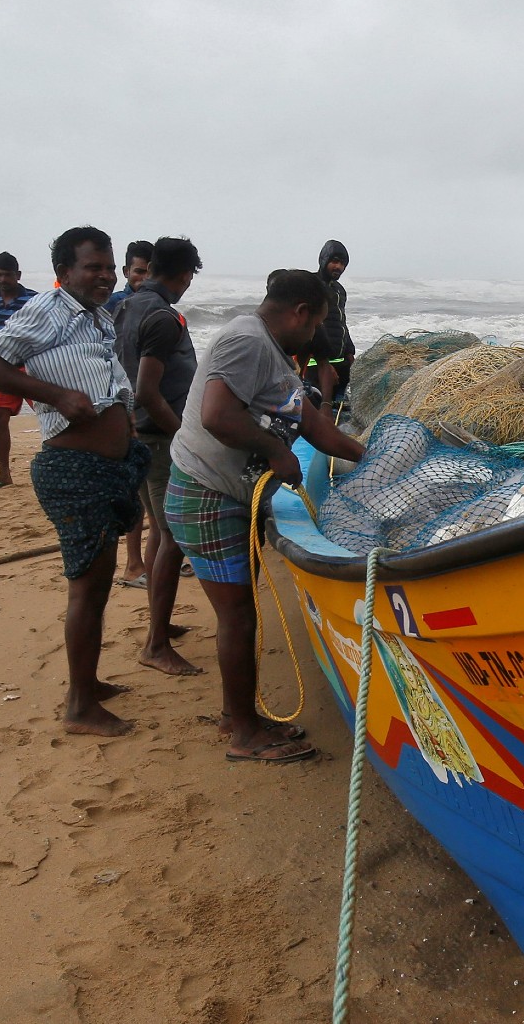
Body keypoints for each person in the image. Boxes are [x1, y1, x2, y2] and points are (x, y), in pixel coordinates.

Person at [167, 269, 366, 762]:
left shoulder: (274, 352)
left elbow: (315, 426)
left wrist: (371, 458)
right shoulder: (248, 340)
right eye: (315, 323)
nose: (314, 334)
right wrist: (276, 452)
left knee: (242, 611)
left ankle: (234, 715)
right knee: (237, 616)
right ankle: (244, 735)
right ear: (300, 312)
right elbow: (217, 415)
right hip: (207, 496)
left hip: (232, 497)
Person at [0, 227, 144, 737]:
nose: (105, 276)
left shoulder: (96, 315)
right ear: (64, 272)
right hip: (73, 470)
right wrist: (56, 395)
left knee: (99, 583)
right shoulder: (49, 308)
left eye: (108, 267)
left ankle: (88, 683)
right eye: (93, 267)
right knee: (87, 590)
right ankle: (80, 707)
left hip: (106, 469)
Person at [115, 237, 204, 678]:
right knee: (173, 538)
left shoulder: (128, 305)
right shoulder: (163, 318)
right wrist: (185, 435)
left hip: (141, 433)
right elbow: (148, 390)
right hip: (161, 439)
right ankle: (155, 645)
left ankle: (159, 622)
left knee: (158, 531)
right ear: (185, 275)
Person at [105, 239, 155, 581]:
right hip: (123, 406)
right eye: (139, 271)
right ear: (126, 271)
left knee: (153, 492)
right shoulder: (115, 305)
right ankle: (133, 564)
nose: (144, 277)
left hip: (146, 406)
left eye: (150, 271)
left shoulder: (153, 305)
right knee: (135, 490)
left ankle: (156, 557)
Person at [0, 252, 37, 491]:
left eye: (8, 275)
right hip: (3, 368)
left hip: (32, 366)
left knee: (50, 416)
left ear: (18, 275)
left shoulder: (33, 300)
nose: (3, 279)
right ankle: (4, 474)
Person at [301, 240, 354, 410]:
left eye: (343, 264)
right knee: (317, 409)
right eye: (335, 261)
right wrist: (324, 365)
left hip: (341, 362)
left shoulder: (340, 290)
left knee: (339, 412)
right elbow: (308, 324)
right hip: (316, 365)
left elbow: (340, 321)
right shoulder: (310, 284)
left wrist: (350, 350)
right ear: (324, 260)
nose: (338, 267)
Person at [104, 240, 154, 316]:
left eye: (151, 273)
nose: (146, 278)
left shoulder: (160, 304)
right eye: (140, 272)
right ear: (126, 272)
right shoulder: (112, 302)